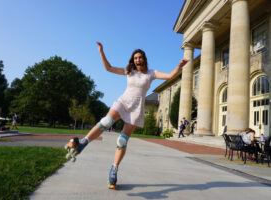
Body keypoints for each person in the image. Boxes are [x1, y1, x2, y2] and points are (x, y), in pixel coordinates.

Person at [66, 42, 188, 189]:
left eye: (140, 57)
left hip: (136, 109)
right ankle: (82, 144)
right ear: (133, 60)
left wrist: (179, 66)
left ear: (144, 59)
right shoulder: (129, 71)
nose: (137, 60)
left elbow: (169, 76)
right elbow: (108, 68)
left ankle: (114, 169)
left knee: (122, 141)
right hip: (123, 102)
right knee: (106, 122)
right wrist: (101, 51)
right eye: (135, 58)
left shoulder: (151, 73)